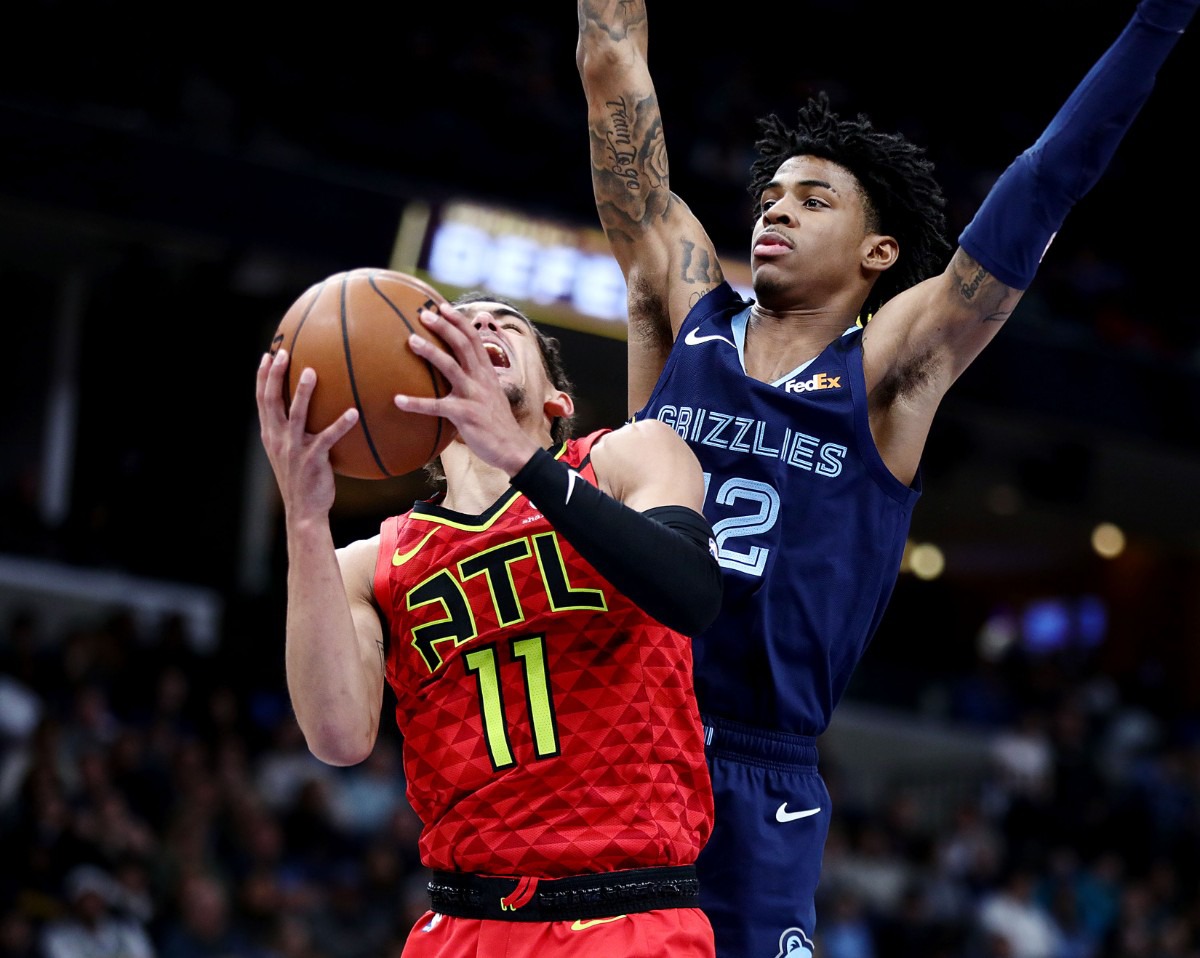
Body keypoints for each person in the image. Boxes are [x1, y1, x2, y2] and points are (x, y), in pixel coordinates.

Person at [575, 0, 1197, 955]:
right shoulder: (680, 303)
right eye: (773, 193)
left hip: (757, 768)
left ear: (880, 255)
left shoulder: (886, 373)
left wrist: (1157, 20)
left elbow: (1045, 182)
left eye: (814, 199)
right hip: (621, 731)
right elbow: (612, 66)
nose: (776, 207)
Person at [255, 289, 725, 957]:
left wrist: (519, 458)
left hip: (626, 913)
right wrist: (304, 518)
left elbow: (692, 596)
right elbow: (336, 737)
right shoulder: (372, 564)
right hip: (463, 925)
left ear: (557, 401)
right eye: (457, 324)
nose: (479, 324)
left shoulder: (626, 459)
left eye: (505, 324)